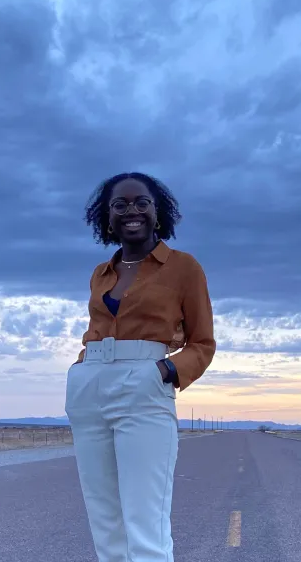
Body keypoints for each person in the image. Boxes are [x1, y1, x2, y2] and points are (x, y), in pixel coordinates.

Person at [65, 172, 216, 562]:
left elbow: (202, 342)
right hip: (89, 388)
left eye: (141, 203)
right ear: (107, 217)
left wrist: (164, 372)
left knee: (145, 522)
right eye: (120, 204)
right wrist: (82, 369)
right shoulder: (101, 273)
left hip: (144, 383)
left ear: (157, 211)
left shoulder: (183, 267)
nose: (132, 210)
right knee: (105, 521)